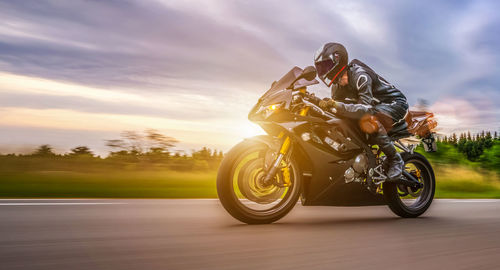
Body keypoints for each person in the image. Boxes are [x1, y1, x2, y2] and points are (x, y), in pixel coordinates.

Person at [313, 42, 408, 181]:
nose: (323, 70)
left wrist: (336, 105)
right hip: (374, 106)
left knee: (369, 119)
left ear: (338, 59)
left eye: (326, 65)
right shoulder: (336, 87)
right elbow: (337, 109)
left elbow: (365, 109)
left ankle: (395, 159)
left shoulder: (360, 76)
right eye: (320, 67)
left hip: (394, 103)